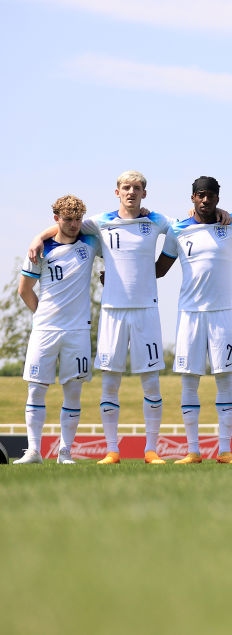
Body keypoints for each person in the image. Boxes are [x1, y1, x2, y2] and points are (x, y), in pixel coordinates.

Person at [28, 171, 183, 464]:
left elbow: (180, 230)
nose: (131, 192)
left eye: (137, 188)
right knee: (110, 382)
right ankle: (112, 449)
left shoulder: (156, 221)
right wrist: (38, 236)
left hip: (147, 311)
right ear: (117, 192)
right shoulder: (100, 222)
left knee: (151, 382)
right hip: (112, 312)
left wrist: (161, 268)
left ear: (144, 193)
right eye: (126, 187)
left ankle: (151, 449)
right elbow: (65, 227)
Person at [155, 176, 232, 464]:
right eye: (200, 195)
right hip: (189, 315)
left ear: (217, 198)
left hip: (223, 314)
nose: (205, 200)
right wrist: (116, 275)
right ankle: (192, 451)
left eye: (210, 195)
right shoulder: (177, 229)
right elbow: (160, 269)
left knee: (225, 379)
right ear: (192, 198)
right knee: (190, 381)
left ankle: (225, 451)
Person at [14, 195, 98, 465]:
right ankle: (34, 451)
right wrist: (42, 316)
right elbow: (24, 290)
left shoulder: (90, 241)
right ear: (56, 219)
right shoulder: (41, 250)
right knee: (36, 389)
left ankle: (65, 452)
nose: (74, 225)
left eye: (77, 219)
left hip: (78, 331)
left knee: (73, 390)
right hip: (45, 330)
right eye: (68, 219)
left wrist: (39, 233)